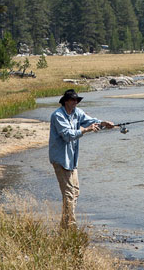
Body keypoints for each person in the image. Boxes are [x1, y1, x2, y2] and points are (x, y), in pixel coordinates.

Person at [49, 89, 114, 228]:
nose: (75, 103)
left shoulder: (77, 113)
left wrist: (103, 123)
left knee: (75, 192)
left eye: (76, 100)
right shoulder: (57, 115)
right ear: (66, 101)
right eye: (73, 100)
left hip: (72, 159)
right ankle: (70, 227)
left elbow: (91, 121)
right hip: (61, 159)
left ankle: (65, 224)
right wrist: (86, 130)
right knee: (69, 194)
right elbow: (67, 135)